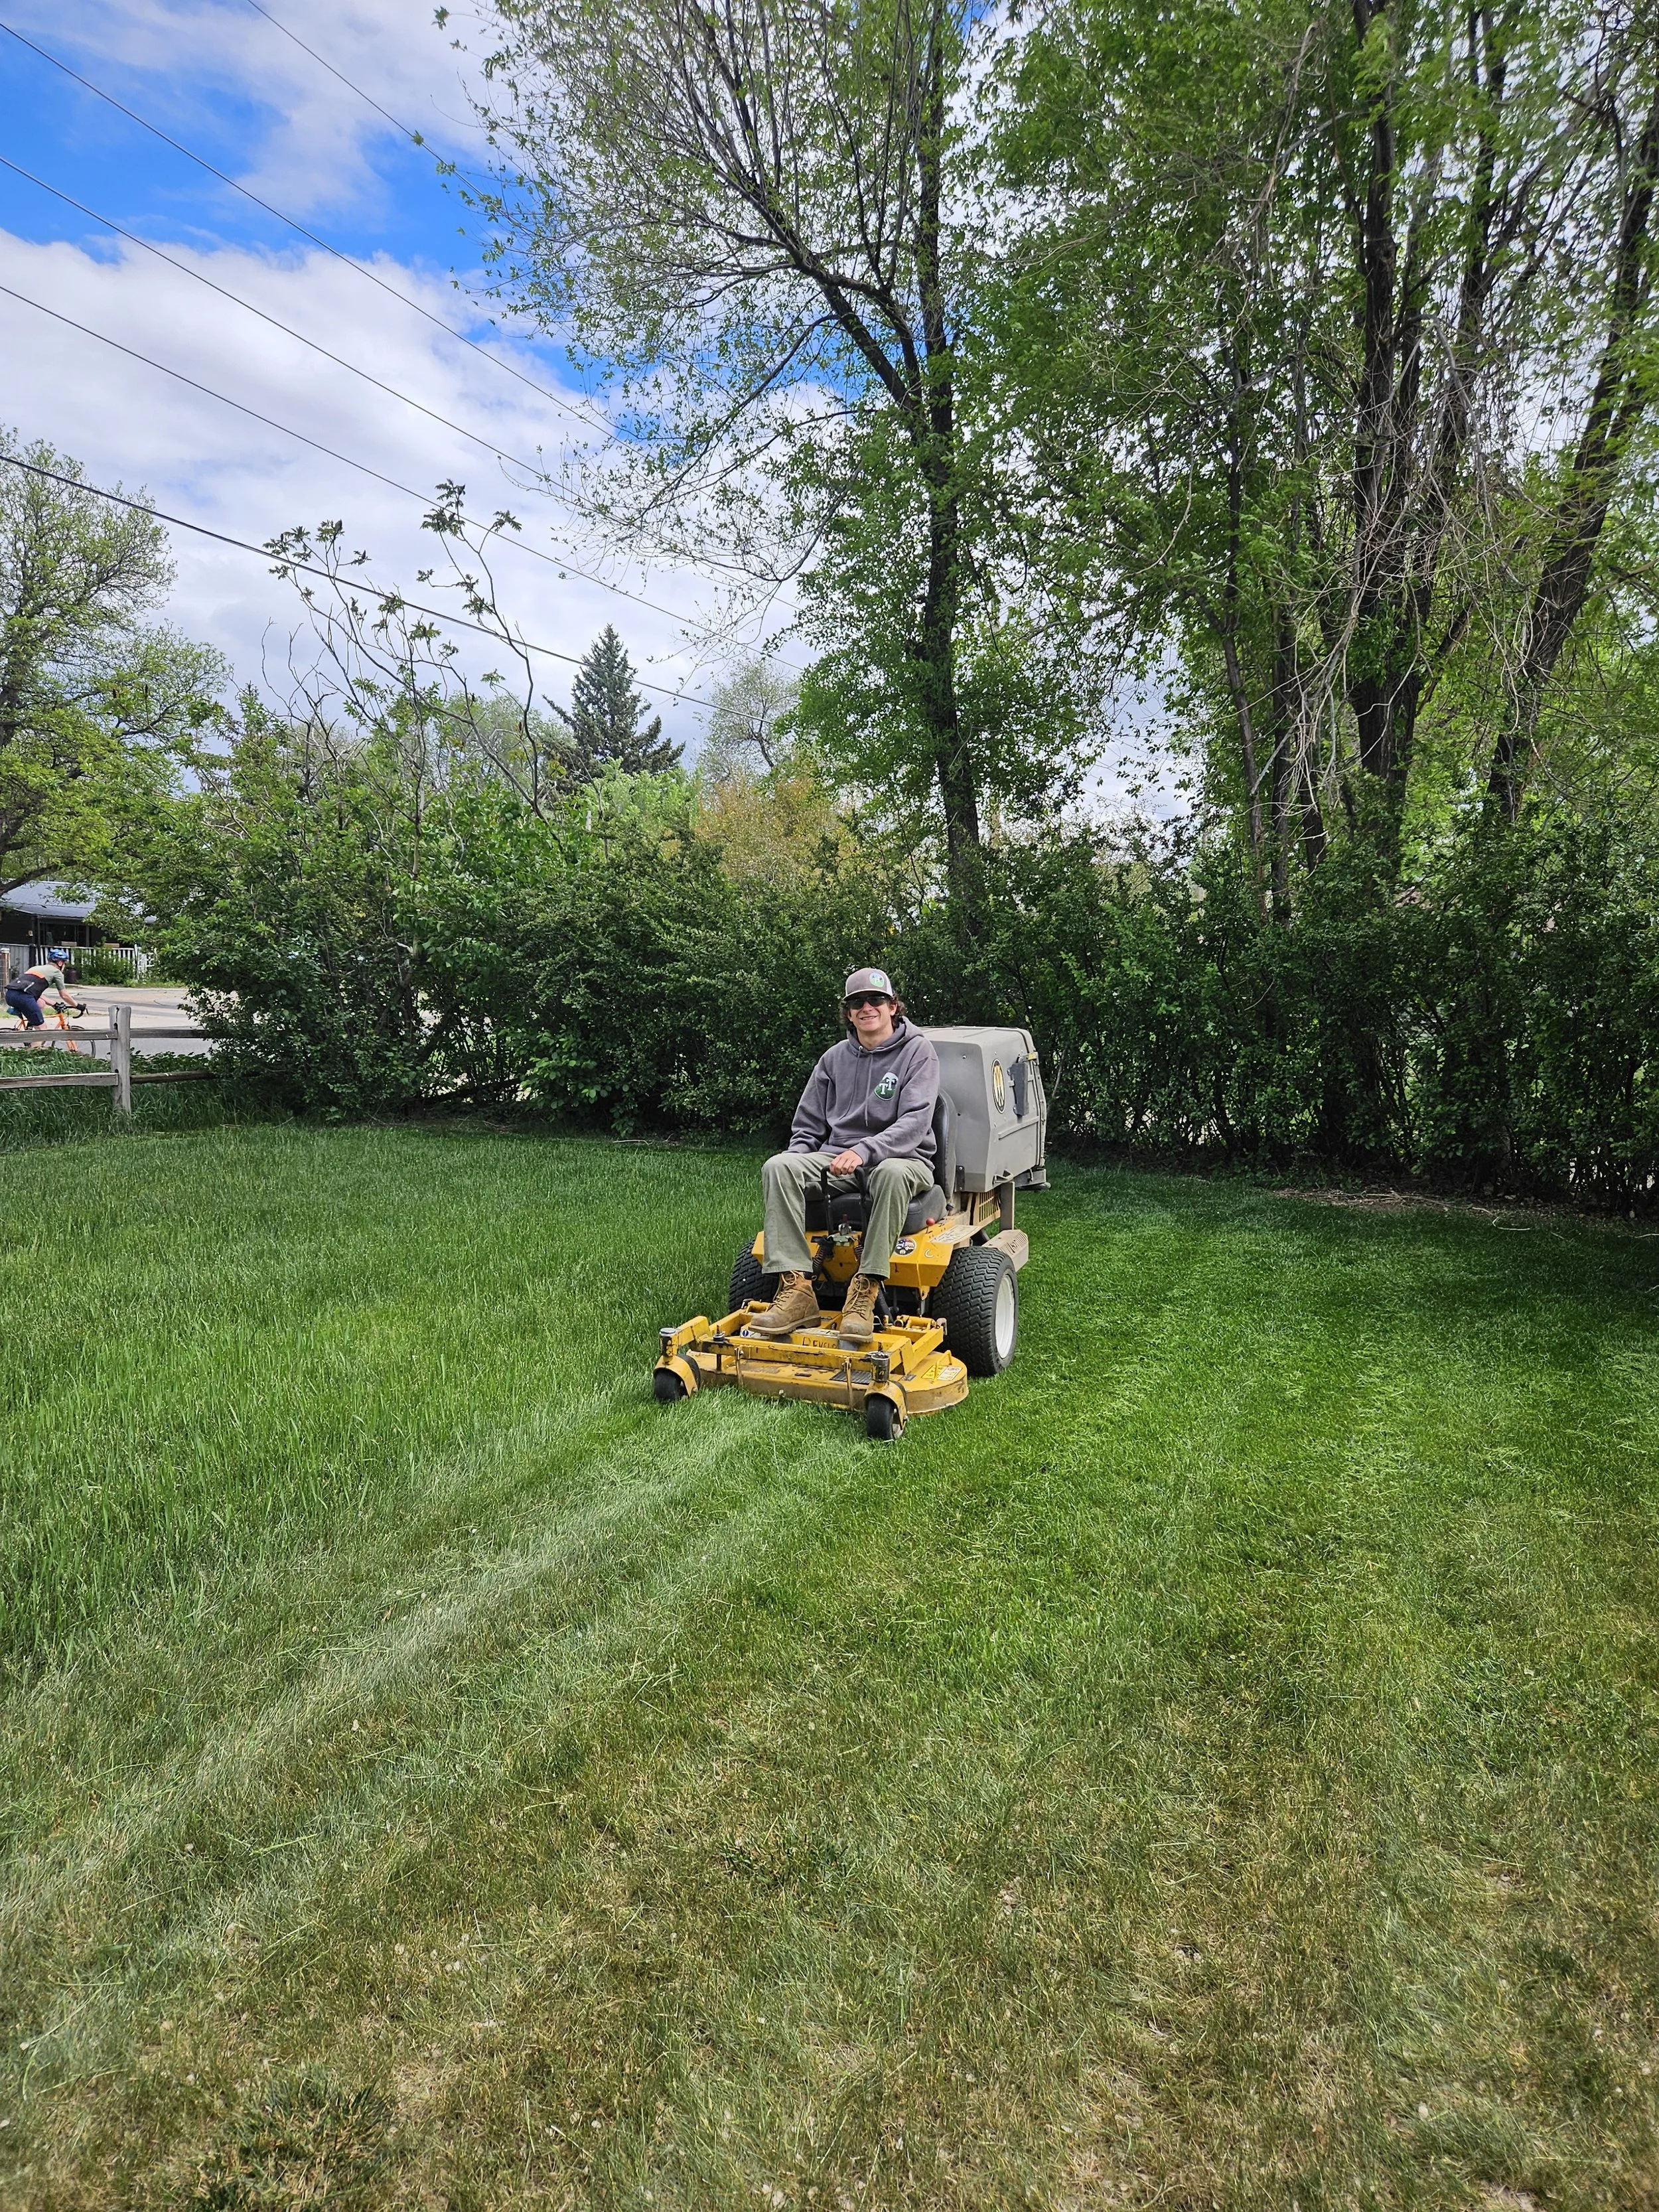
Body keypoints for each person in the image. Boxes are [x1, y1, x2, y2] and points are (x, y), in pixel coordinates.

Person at [749, 966, 941, 1350]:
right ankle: (796, 1291)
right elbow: (807, 1127)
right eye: (857, 1003)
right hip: (838, 1159)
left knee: (889, 1172)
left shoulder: (919, 1052)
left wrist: (864, 1150)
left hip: (905, 1158)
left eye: (876, 1000)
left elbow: (915, 1123)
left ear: (892, 1007)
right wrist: (800, 1162)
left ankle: (865, 1291)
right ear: (849, 1013)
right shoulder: (833, 1059)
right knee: (779, 1166)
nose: (867, 1007)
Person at [5, 954, 82, 1039]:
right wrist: (77, 1006)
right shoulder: (57, 973)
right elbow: (64, 995)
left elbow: (34, 992)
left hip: (10, 994)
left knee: (41, 1004)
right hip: (24, 997)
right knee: (42, 1029)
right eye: (64, 963)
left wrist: (54, 1004)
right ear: (60, 963)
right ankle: (34, 1051)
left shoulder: (35, 968)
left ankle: (31, 1025)